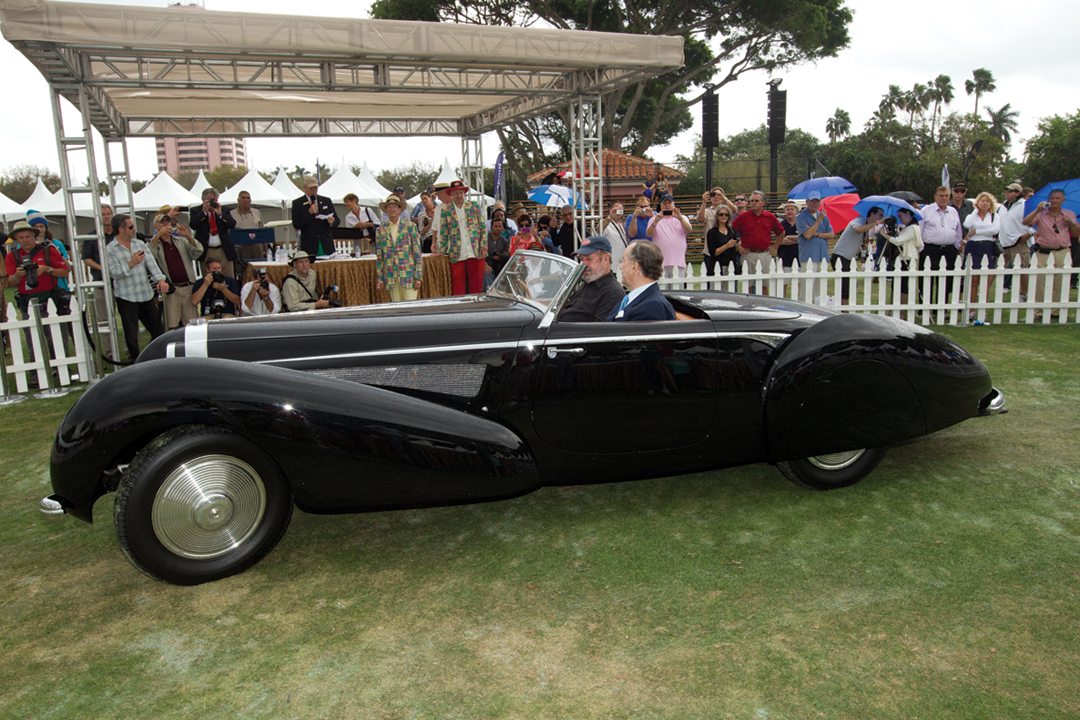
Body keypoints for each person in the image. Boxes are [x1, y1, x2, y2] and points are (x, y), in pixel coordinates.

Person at [105, 213, 169, 360]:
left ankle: (157, 357)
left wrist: (160, 280)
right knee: (131, 335)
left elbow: (151, 264)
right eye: (131, 227)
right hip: (126, 297)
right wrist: (130, 263)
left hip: (145, 294)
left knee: (158, 330)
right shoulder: (110, 249)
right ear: (120, 229)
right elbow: (114, 273)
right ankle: (135, 360)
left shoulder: (139, 244)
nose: (134, 229)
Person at [1023, 188, 1079, 318]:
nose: (1054, 201)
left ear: (1063, 200)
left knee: (1061, 281)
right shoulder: (1041, 214)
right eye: (1052, 198)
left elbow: (1076, 234)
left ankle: (1056, 311)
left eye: (1057, 198)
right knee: (1039, 281)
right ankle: (1038, 311)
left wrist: (1070, 223)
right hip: (1043, 251)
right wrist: (1037, 210)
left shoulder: (1069, 214)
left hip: (1062, 251)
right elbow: (1026, 222)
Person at [3, 219, 69, 320]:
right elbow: (11, 282)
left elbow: (65, 272)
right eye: (21, 237)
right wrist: (18, 275)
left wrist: (47, 269)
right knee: (30, 328)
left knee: (58, 327)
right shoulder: (12, 256)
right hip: (26, 299)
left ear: (34, 236)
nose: (25, 240)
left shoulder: (48, 250)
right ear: (16, 239)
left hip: (50, 297)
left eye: (28, 236)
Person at [147, 212, 200, 329]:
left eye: (168, 221)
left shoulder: (181, 241)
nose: (166, 224)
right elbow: (150, 256)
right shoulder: (154, 243)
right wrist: (158, 235)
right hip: (172, 290)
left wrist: (189, 236)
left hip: (188, 287)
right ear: (156, 226)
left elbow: (198, 252)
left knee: (192, 325)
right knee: (171, 325)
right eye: (162, 222)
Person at [434, 179, 486, 295]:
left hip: (475, 250)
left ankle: (476, 304)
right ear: (451, 194)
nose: (458, 195)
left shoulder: (474, 206)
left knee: (476, 283)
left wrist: (483, 246)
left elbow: (482, 227)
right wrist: (441, 250)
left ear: (464, 193)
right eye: (456, 193)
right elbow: (443, 233)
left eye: (461, 192)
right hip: (456, 252)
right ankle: (460, 305)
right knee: (458, 285)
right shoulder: (446, 210)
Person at [557, 236, 624, 322]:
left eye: (589, 259)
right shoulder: (587, 284)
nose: (583, 264)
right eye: (581, 259)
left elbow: (599, 329)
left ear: (605, 259)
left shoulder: (612, 293)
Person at [375, 194, 423, 302]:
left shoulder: (410, 226)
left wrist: (418, 276)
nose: (392, 209)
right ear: (386, 210)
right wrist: (380, 278)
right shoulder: (380, 230)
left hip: (409, 275)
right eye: (389, 207)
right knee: (397, 308)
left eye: (395, 206)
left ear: (400, 209)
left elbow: (417, 253)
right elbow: (380, 257)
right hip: (391, 276)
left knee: (411, 307)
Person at [611, 240, 675, 321]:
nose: (621, 267)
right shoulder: (633, 299)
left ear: (634, 266)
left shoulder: (652, 307)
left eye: (623, 260)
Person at [832, 207, 884, 304]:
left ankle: (844, 306)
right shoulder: (859, 219)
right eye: (880, 215)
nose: (881, 218)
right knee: (845, 285)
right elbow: (858, 229)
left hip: (848, 258)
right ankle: (844, 309)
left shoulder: (866, 224)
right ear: (872, 214)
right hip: (840, 256)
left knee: (850, 284)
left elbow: (864, 240)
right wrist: (875, 224)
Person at [732, 190, 784, 288]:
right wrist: (738, 245)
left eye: (756, 201)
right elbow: (731, 232)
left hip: (765, 254)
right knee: (749, 285)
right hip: (748, 254)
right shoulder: (743, 217)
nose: (753, 203)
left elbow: (781, 233)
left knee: (766, 285)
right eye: (751, 201)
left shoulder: (769, 217)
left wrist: (775, 247)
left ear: (763, 203)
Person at [919, 186, 963, 303]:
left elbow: (958, 231)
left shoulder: (953, 211)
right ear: (935, 197)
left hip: (949, 250)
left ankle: (942, 306)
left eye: (946, 196)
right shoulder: (926, 211)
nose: (944, 198)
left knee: (945, 280)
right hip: (930, 249)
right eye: (941, 196)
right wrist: (922, 249)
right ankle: (925, 307)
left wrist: (956, 247)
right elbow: (920, 230)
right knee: (927, 279)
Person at [962, 191, 1002, 315]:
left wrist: (976, 231)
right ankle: (972, 309)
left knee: (986, 278)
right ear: (978, 202)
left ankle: (981, 308)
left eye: (987, 201)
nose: (985, 203)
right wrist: (975, 211)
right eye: (982, 201)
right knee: (974, 280)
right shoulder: (972, 215)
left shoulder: (995, 216)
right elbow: (967, 224)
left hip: (988, 246)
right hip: (973, 246)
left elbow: (995, 230)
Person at [189, 187, 237, 278]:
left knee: (228, 276)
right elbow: (193, 225)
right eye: (209, 200)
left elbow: (232, 224)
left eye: (214, 200)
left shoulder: (224, 209)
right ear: (203, 199)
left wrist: (220, 214)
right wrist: (204, 212)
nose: (211, 202)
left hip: (223, 249)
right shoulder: (195, 210)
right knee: (208, 277)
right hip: (206, 250)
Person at [885, 208, 923, 314]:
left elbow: (898, 241)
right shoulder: (908, 227)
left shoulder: (913, 228)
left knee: (904, 285)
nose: (900, 219)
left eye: (901, 216)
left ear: (908, 214)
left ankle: (902, 312)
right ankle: (896, 309)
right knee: (899, 284)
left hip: (908, 258)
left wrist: (884, 234)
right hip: (903, 257)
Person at [998, 182, 1031, 300]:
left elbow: (1036, 221)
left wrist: (1028, 234)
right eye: (1006, 191)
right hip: (1004, 242)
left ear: (1017, 193)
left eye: (1010, 191)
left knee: (1022, 269)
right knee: (999, 269)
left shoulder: (1025, 205)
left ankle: (1023, 294)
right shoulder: (1003, 206)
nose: (1006, 193)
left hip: (1018, 242)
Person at [291, 176, 339, 258]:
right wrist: (309, 213)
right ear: (304, 188)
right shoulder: (297, 203)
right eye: (311, 188)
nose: (314, 190)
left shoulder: (326, 200)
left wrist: (332, 222)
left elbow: (337, 220)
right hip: (309, 244)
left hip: (326, 243)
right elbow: (296, 224)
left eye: (315, 188)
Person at [646, 193, 691, 278]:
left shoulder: (682, 217)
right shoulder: (654, 219)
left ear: (674, 204)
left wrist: (680, 218)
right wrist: (656, 221)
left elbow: (689, 230)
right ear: (660, 205)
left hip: (678, 262)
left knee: (678, 286)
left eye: (669, 203)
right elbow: (648, 234)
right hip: (660, 262)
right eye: (664, 203)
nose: (667, 205)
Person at [795, 191, 835, 266]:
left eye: (817, 201)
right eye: (812, 201)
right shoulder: (801, 217)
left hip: (823, 256)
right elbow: (807, 235)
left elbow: (831, 234)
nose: (814, 203)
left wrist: (817, 234)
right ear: (807, 202)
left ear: (820, 202)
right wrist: (819, 220)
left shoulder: (823, 216)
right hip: (808, 257)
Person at [229, 190, 264, 267]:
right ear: (238, 200)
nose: (246, 200)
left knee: (258, 268)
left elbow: (262, 229)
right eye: (243, 198)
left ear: (250, 200)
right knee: (242, 269)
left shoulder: (257, 212)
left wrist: (265, 248)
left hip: (257, 247)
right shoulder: (231, 214)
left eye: (248, 198)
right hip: (241, 248)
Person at [704, 202, 739, 277]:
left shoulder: (732, 230)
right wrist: (726, 246)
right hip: (717, 267)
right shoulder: (712, 232)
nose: (724, 216)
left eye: (726, 214)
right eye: (721, 214)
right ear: (717, 216)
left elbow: (735, 250)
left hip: (731, 266)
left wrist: (738, 245)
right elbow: (713, 253)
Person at [600, 202, 628, 270]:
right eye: (616, 210)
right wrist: (609, 217)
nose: (618, 212)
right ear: (610, 210)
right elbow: (599, 229)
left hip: (621, 261)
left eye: (621, 210)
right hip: (613, 262)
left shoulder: (621, 225)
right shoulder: (606, 223)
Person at [485, 217, 511, 284]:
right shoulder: (485, 239)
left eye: (500, 226)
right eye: (495, 226)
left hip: (498, 266)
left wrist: (500, 256)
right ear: (491, 227)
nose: (497, 228)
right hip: (486, 264)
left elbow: (506, 254)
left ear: (503, 228)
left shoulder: (504, 241)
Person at [776, 201, 800, 273]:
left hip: (799, 259)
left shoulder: (801, 224)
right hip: (784, 259)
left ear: (796, 211)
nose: (790, 211)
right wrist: (798, 239)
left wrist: (789, 237)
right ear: (784, 211)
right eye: (788, 209)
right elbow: (781, 241)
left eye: (792, 209)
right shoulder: (780, 225)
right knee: (784, 280)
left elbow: (806, 238)